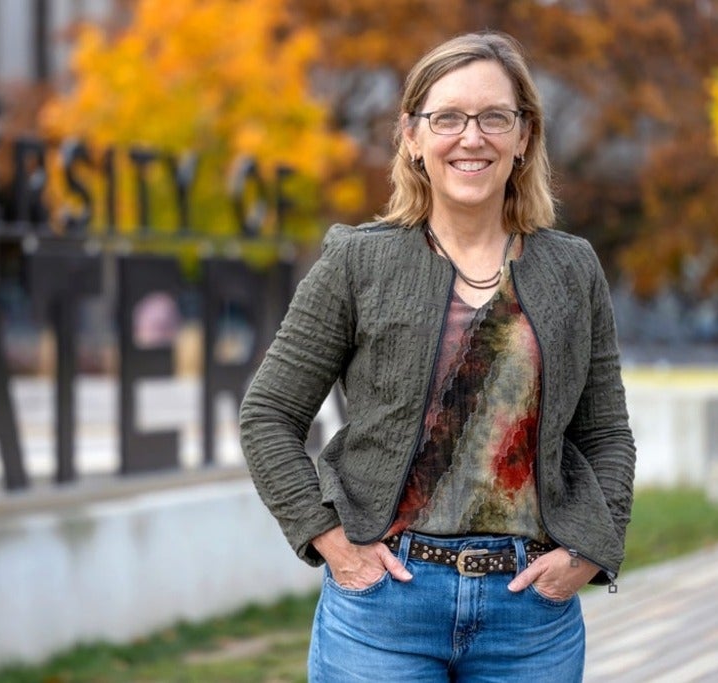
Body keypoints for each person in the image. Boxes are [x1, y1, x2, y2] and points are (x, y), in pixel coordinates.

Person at [239, 30, 635, 681]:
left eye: (493, 117)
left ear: (524, 135)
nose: (470, 137)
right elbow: (268, 414)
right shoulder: (358, 262)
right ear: (412, 136)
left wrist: (589, 551)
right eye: (447, 117)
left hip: (530, 614)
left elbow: (606, 432)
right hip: (383, 611)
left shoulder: (572, 268)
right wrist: (331, 541)